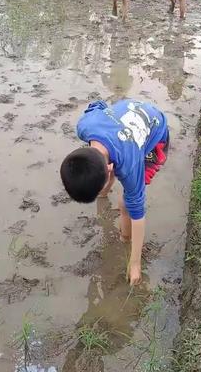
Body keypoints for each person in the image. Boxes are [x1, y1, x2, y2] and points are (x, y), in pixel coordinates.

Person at [60, 99, 169, 286]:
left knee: (125, 205)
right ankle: (105, 186)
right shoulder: (85, 126)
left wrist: (135, 263)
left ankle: (125, 238)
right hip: (126, 110)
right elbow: (97, 105)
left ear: (111, 168)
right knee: (119, 195)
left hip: (155, 132)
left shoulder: (129, 165)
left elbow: (138, 215)